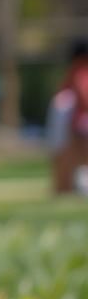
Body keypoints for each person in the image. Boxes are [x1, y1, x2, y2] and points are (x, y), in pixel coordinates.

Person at [47, 42, 88, 195]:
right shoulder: (80, 72)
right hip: (76, 121)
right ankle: (64, 186)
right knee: (69, 154)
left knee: (66, 155)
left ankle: (63, 186)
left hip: (76, 121)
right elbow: (83, 99)